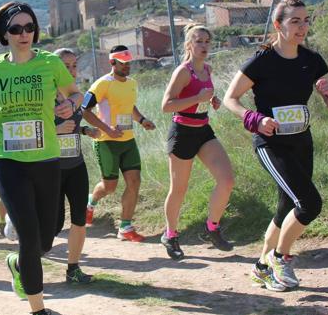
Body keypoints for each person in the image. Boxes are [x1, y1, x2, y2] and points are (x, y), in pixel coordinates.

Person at [0, 1, 82, 315]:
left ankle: (16, 264)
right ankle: (38, 309)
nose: (24, 34)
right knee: (29, 237)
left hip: (47, 158)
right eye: (16, 29)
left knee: (46, 239)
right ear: (5, 35)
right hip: (7, 160)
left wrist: (69, 106)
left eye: (30, 27)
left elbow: (75, 93)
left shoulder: (50, 64)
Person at [223, 0, 328, 291]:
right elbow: (230, 99)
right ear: (278, 25)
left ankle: (261, 266)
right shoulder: (262, 61)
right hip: (270, 144)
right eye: (294, 21)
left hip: (301, 141)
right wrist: (254, 119)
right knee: (309, 203)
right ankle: (281, 259)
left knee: (287, 207)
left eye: (305, 20)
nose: (302, 27)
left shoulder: (313, 61)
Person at [160, 24, 235, 260]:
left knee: (227, 180)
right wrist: (197, 98)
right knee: (179, 190)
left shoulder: (209, 69)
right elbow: (166, 105)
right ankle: (170, 234)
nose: (204, 45)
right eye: (199, 41)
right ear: (189, 44)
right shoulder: (183, 71)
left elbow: (204, 97)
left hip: (203, 129)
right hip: (182, 131)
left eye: (207, 41)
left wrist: (212, 101)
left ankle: (212, 227)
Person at [83, 45, 156, 241]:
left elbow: (129, 105)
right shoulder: (102, 84)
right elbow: (84, 110)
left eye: (129, 63)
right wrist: (107, 129)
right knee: (110, 187)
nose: (127, 67)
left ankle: (125, 227)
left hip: (128, 140)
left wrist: (142, 120)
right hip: (106, 141)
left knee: (135, 181)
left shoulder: (132, 83)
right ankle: (90, 203)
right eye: (123, 63)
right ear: (112, 62)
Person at [53, 48, 101, 283]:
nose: (71, 71)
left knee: (79, 217)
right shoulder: (43, 98)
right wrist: (55, 130)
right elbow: (33, 132)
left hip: (76, 165)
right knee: (54, 225)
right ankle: (25, 257)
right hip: (51, 168)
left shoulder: (76, 96)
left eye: (74, 65)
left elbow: (74, 124)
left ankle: (73, 269)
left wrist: (86, 130)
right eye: (65, 66)